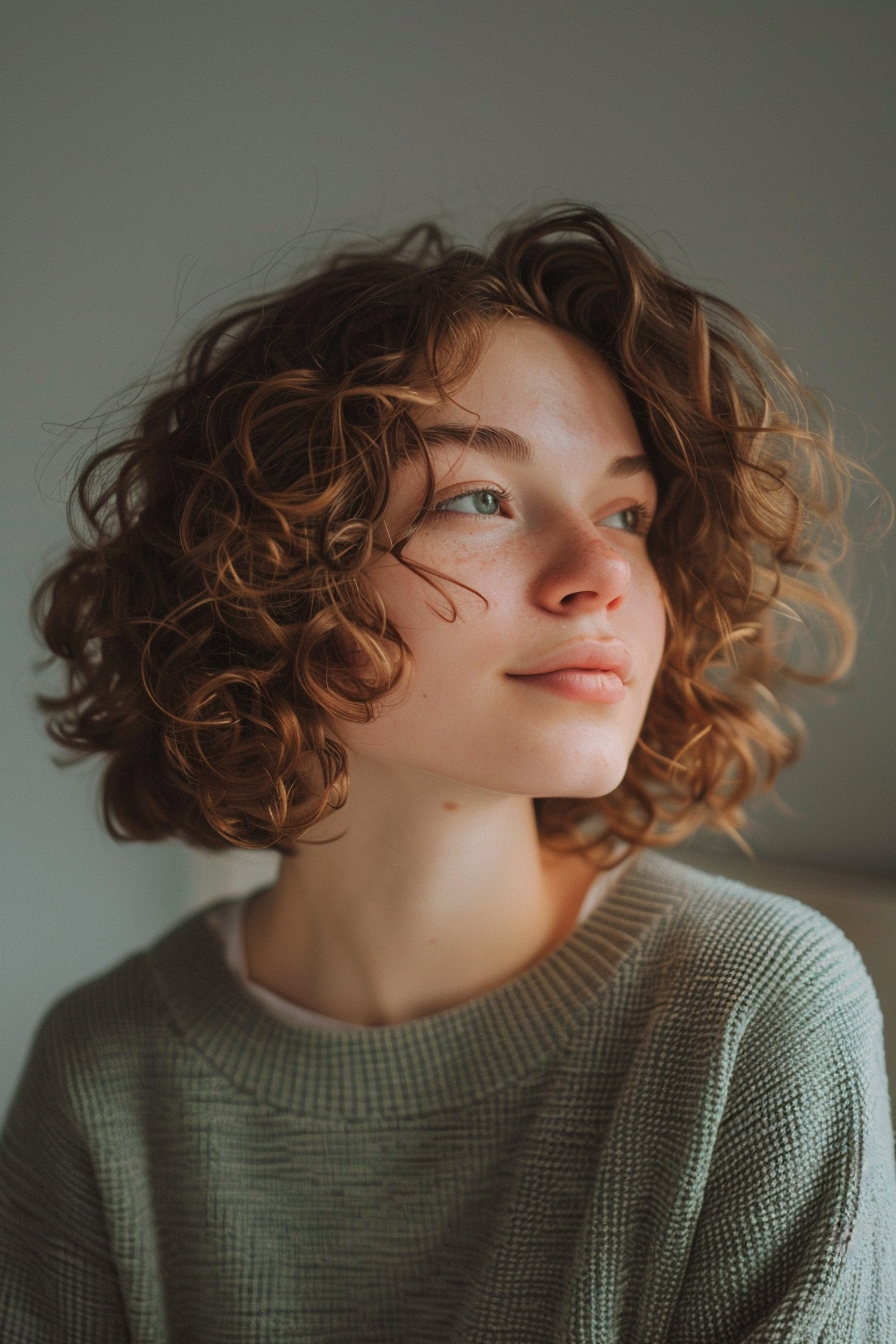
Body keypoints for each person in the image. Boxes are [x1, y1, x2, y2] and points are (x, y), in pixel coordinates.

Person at [1, 205, 894, 1342]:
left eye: (628, 513)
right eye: (479, 498)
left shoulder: (751, 1012)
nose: (599, 574)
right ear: (271, 576)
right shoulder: (104, 1074)